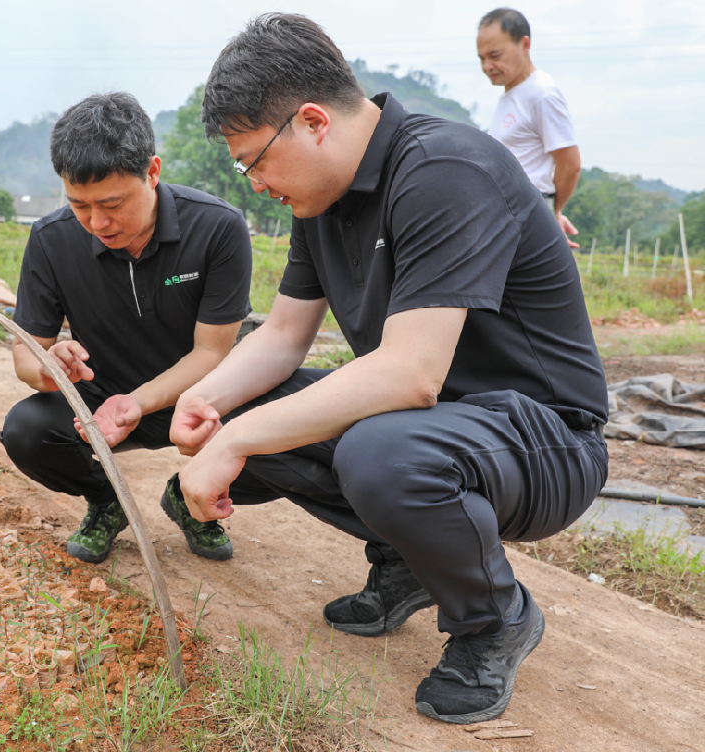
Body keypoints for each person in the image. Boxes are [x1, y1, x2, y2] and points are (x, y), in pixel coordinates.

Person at [171, 13, 608, 725]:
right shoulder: (322, 199)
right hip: (438, 429)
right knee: (250, 407)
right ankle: (411, 562)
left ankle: (495, 617)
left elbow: (411, 374)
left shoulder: (443, 170)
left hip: (546, 440)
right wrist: (207, 401)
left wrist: (236, 441)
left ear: (313, 122)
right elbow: (282, 335)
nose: (254, 184)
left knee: (377, 451)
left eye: (254, 162)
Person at [0, 92, 253, 565]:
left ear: (152, 172)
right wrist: (48, 367)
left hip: (196, 394)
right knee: (26, 431)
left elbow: (212, 352)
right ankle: (105, 501)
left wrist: (139, 402)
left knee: (278, 423)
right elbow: (25, 352)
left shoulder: (217, 228)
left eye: (112, 203)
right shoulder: (52, 240)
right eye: (79, 205)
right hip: (99, 399)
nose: (97, 222)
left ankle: (190, 495)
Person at [477, 7, 582, 248]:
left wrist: (553, 212)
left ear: (524, 44)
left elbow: (570, 164)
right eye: (481, 58)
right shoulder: (512, 93)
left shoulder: (541, 94)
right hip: (508, 213)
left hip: (526, 213)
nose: (487, 66)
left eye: (494, 55)